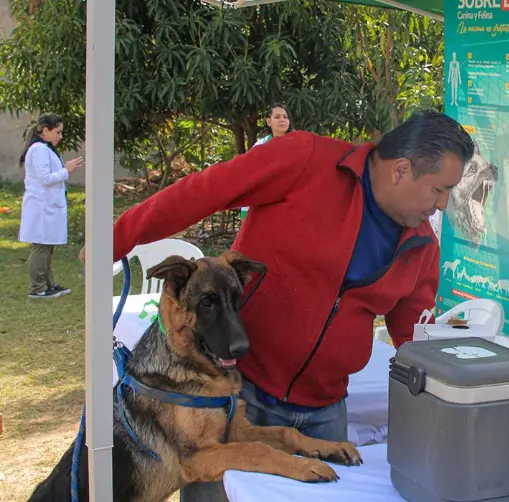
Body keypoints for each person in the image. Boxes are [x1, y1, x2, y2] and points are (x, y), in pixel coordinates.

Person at [97, 110, 473, 500]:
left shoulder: (422, 245)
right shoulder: (305, 160)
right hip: (239, 395)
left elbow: (413, 340)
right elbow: (203, 192)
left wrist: (460, 393)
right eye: (439, 189)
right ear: (400, 170)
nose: (443, 204)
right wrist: (116, 239)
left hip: (327, 411)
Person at [18, 113, 84, 299]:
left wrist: (65, 168)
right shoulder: (38, 149)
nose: (60, 136)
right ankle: (37, 288)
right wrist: (66, 170)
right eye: (58, 132)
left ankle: (49, 284)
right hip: (41, 207)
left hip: (47, 206)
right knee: (41, 248)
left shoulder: (44, 148)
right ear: (45, 130)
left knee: (47, 248)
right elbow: (45, 178)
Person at [240, 103, 296, 220]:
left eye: (285, 117)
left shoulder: (299, 144)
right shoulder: (261, 146)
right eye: (277, 117)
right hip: (266, 203)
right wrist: (245, 210)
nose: (282, 120)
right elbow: (250, 177)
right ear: (269, 121)